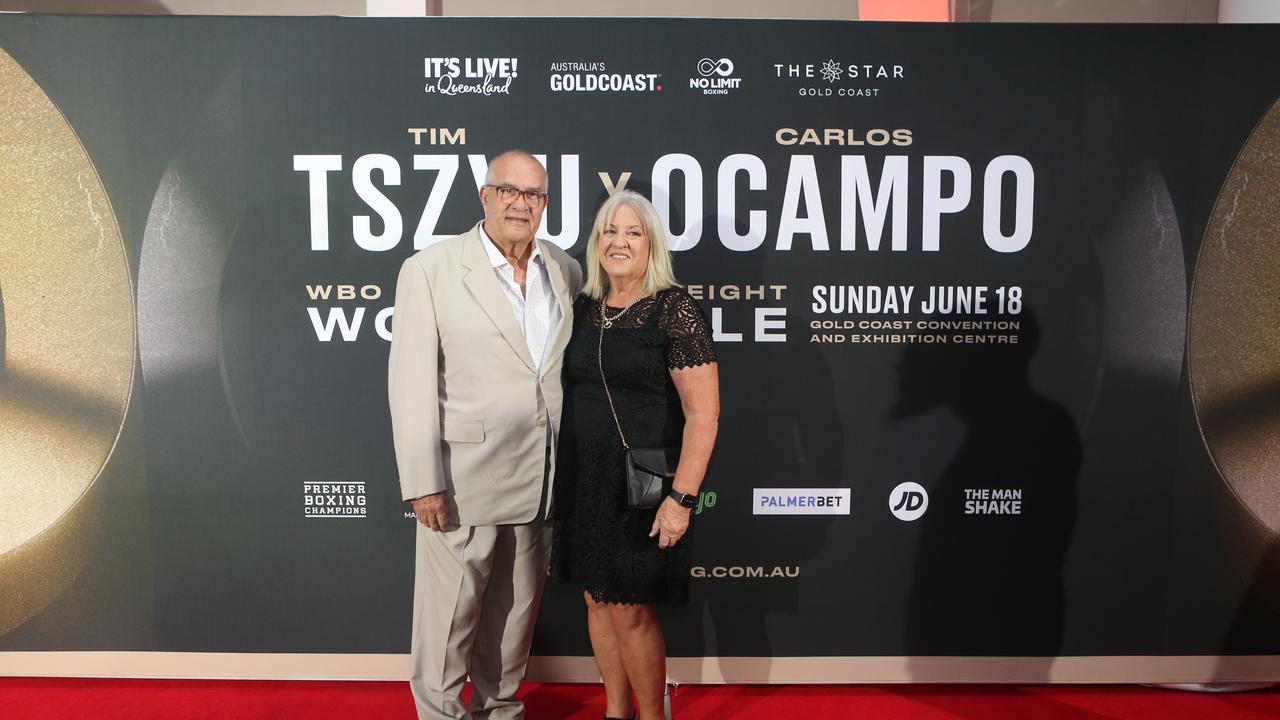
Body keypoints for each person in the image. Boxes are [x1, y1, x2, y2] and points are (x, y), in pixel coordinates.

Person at [388, 149, 583, 720]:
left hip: (540, 477)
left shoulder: (563, 269)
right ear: (486, 196)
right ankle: (440, 713)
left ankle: (501, 709)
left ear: (545, 203)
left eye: (535, 194)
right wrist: (423, 480)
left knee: (517, 613)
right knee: (449, 617)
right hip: (461, 479)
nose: (522, 204)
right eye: (510, 191)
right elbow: (410, 384)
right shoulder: (431, 269)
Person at [552, 190, 719, 720]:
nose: (619, 241)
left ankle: (652, 715)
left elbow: (703, 416)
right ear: (596, 241)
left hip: (642, 488)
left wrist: (682, 498)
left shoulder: (674, 309)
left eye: (633, 232)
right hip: (586, 481)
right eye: (609, 231)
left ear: (651, 244)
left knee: (629, 610)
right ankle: (615, 711)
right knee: (596, 602)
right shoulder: (583, 308)